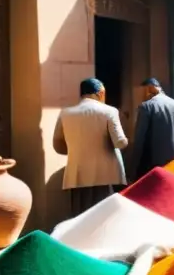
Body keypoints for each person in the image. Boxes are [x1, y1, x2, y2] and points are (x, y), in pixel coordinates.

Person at [53, 78, 128, 217]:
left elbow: (57, 145)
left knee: (80, 217)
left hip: (77, 176)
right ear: (100, 93)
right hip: (106, 176)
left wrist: (76, 150)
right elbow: (120, 142)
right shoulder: (109, 111)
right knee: (104, 217)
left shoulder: (66, 113)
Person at [130, 78, 174, 180]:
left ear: (150, 88)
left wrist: (133, 171)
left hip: (157, 168)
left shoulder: (147, 107)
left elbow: (139, 141)